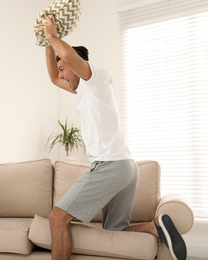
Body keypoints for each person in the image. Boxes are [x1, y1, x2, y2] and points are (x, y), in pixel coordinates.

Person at [39, 14, 186, 260]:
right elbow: (53, 78)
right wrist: (45, 42)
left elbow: (67, 59)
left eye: (64, 68)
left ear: (76, 64)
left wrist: (54, 37)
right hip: (125, 166)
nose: (62, 74)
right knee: (114, 229)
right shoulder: (82, 89)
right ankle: (155, 226)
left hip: (110, 165)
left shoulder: (95, 80)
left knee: (57, 217)